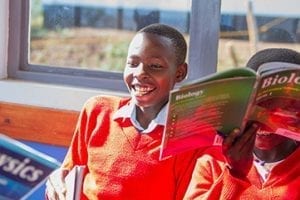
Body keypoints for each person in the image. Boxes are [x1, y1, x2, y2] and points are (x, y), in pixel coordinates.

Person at [45, 23, 203, 200]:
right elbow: (70, 176)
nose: (140, 73)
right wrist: (57, 184)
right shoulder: (97, 111)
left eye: (155, 66)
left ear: (180, 73)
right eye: (132, 63)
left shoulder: (191, 139)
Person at [184, 48, 300, 200]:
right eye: (256, 107)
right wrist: (235, 174)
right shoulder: (212, 163)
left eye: (277, 112)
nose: (263, 122)